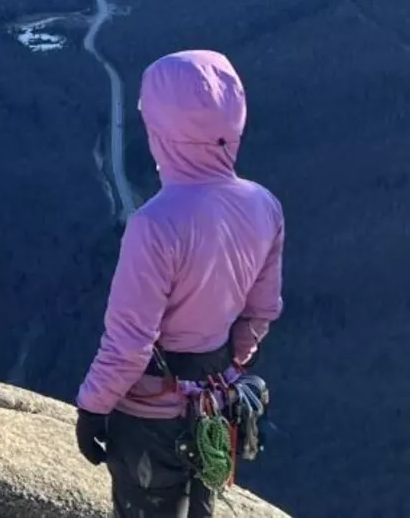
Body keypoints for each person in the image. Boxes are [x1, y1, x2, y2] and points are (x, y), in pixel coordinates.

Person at [73, 49, 284, 517]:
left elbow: (130, 342)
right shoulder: (265, 205)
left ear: (162, 132)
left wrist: (93, 405)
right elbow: (261, 311)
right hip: (217, 404)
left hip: (150, 418)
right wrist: (230, 360)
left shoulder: (156, 224)